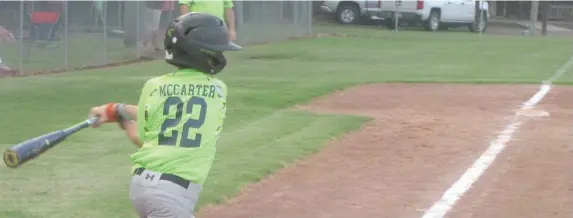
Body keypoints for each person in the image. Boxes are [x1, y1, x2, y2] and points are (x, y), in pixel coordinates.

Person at [87, 12, 241, 218]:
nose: (220, 56)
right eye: (217, 51)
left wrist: (115, 110)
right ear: (203, 53)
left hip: (141, 187)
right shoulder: (218, 90)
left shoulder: (154, 86)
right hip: (172, 194)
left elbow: (142, 134)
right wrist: (118, 111)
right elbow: (178, 111)